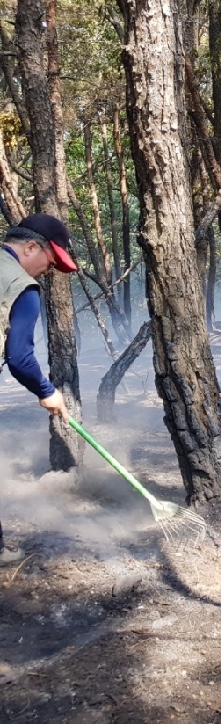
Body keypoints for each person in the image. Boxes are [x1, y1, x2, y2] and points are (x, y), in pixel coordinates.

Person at [1, 213, 79, 565]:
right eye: (49, 263)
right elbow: (19, 357)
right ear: (31, 247)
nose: (47, 273)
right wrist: (47, 391)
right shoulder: (22, 286)